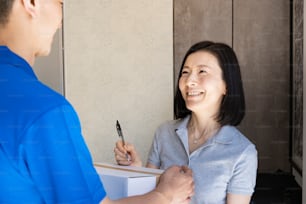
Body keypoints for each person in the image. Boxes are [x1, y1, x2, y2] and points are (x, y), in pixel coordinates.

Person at [0, 0, 194, 203]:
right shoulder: (44, 111)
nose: (60, 23)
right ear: (32, 2)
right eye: (60, 4)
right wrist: (165, 194)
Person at [115, 41, 258, 204]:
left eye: (202, 71)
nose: (190, 81)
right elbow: (151, 195)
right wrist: (136, 170)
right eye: (185, 72)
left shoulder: (243, 152)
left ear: (226, 85)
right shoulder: (164, 133)